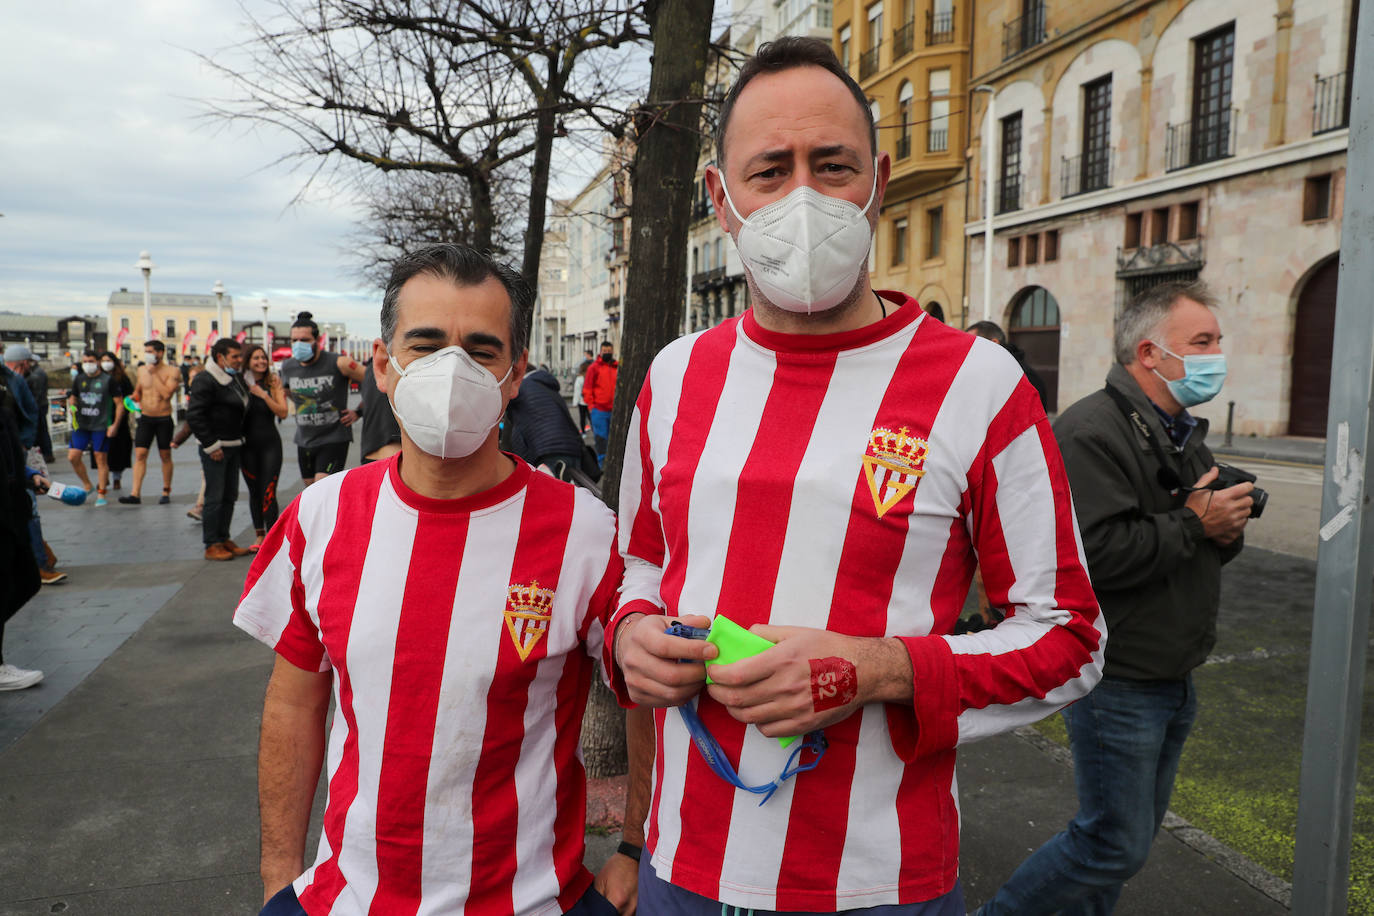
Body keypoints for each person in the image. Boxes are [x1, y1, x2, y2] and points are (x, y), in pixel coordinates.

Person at [608, 37, 1105, 914]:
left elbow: (1070, 640)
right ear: (722, 199)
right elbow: (638, 571)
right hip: (682, 872)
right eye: (770, 170)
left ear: (875, 178)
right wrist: (631, 637)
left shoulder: (980, 386)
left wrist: (876, 670)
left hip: (881, 889)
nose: (803, 196)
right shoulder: (676, 377)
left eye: (830, 165)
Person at [233, 243, 645, 916]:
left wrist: (633, 848)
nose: (451, 370)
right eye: (425, 345)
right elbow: (293, 703)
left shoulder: (585, 532)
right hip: (345, 900)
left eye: (481, 351)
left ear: (515, 376)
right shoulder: (321, 516)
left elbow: (647, 694)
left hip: (535, 902)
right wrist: (281, 876)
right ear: (383, 365)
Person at [975, 281, 1251, 915]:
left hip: (1171, 669)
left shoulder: (1178, 430)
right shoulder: (1091, 430)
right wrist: (1194, 522)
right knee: (1112, 844)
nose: (1216, 354)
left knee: (1127, 843)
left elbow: (1194, 541)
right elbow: (1090, 556)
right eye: (1201, 342)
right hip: (1118, 675)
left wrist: (1220, 525)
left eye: (1216, 341)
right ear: (1151, 353)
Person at [0, 368, 49, 690]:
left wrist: (29, 473)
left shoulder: (5, 386)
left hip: (11, 501)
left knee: (27, 580)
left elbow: (10, 446)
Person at [279, 311, 366, 485]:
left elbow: (374, 380)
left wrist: (359, 411)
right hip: (304, 439)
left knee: (322, 487)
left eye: (304, 340)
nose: (298, 344)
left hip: (334, 438)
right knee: (311, 489)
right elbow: (288, 391)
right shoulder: (288, 366)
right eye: (294, 340)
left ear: (317, 341)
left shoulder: (339, 362)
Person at [0, 358, 64, 586]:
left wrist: (28, 472)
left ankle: (40, 561)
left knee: (28, 509)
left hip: (16, 459)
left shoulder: (12, 383)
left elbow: (31, 413)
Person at [187, 339, 251, 561]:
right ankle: (211, 543)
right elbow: (195, 415)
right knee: (215, 495)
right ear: (220, 357)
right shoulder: (205, 380)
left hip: (234, 444)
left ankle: (223, 537)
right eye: (234, 356)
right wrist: (210, 445)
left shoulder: (233, 378)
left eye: (239, 356)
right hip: (216, 448)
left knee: (229, 495)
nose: (238, 360)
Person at [239, 344, 289, 551]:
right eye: (255, 358)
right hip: (246, 446)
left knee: (268, 490)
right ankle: (259, 536)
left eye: (263, 358)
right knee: (254, 492)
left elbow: (283, 412)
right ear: (247, 361)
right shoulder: (239, 383)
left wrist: (263, 395)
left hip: (270, 444)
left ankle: (273, 538)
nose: (260, 361)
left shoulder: (273, 382)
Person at [120, 339, 180, 505]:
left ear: (160, 353)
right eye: (145, 351)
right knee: (140, 454)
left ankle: (166, 490)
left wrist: (153, 374)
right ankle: (135, 493)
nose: (147, 355)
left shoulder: (172, 371)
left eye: (150, 351)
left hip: (163, 418)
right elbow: (139, 390)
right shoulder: (141, 370)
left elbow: (167, 394)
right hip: (146, 417)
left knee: (165, 455)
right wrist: (133, 398)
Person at [506, 365, 586, 480]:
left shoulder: (520, 387)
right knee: (569, 492)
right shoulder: (548, 387)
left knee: (550, 494)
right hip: (572, 447)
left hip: (546, 451)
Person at [66, 350, 124, 507]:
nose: (87, 364)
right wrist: (72, 406)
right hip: (82, 424)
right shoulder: (79, 379)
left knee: (100, 457)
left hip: (101, 424)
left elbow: (120, 404)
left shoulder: (108, 380)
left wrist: (115, 425)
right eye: (85, 361)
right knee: (73, 456)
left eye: (91, 361)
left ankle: (101, 492)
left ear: (97, 362)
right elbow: (73, 397)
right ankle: (87, 484)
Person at [966, 320, 1050, 410]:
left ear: (993, 344)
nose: (968, 351)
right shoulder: (983, 372)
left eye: (972, 345)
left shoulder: (1024, 377)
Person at [96, 351, 134, 491]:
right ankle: (103, 478)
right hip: (99, 418)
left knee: (118, 449)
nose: (105, 363)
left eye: (108, 360)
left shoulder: (122, 379)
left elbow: (129, 396)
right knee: (101, 450)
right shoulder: (97, 378)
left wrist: (127, 409)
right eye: (103, 360)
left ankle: (116, 478)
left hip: (118, 417)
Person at [355, 359, 402, 464]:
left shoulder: (370, 369)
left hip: (370, 453)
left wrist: (357, 412)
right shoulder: (399, 367)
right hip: (395, 456)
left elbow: (368, 399)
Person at [582, 341, 617, 463]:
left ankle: (612, 463)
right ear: (600, 352)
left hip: (614, 411)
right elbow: (587, 388)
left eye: (609, 351)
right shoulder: (594, 368)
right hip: (599, 411)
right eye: (604, 351)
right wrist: (592, 407)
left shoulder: (617, 367)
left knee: (614, 440)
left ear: (612, 351)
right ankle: (601, 464)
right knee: (601, 439)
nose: (607, 353)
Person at [574, 348, 595, 432]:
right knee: (591, 417)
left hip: (583, 400)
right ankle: (594, 431)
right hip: (590, 400)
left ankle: (583, 432)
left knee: (582, 417)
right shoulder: (591, 375)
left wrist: (575, 402)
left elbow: (577, 390)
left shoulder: (580, 378)